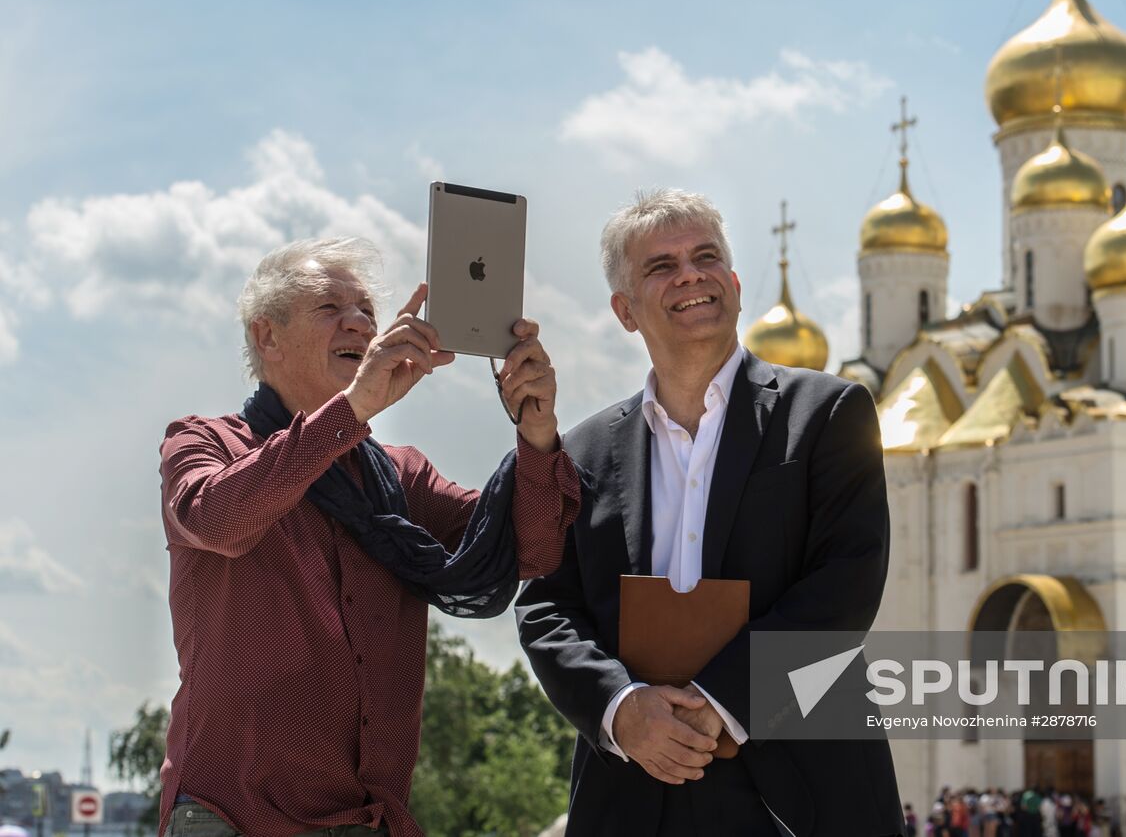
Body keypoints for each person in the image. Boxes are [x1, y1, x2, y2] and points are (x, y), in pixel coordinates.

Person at [157, 238, 580, 837]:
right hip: (234, 816)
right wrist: (350, 410)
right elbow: (219, 521)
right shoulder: (205, 443)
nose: (358, 322)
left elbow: (530, 551)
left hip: (369, 820)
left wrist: (537, 431)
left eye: (367, 312)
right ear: (267, 335)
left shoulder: (400, 476)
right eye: (330, 307)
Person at [516, 190, 902, 835]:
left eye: (706, 257)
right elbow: (545, 604)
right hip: (635, 785)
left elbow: (847, 579)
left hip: (801, 784)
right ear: (625, 311)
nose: (690, 275)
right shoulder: (582, 452)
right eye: (661, 266)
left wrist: (721, 700)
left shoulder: (829, 414)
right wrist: (620, 708)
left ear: (735, 283)